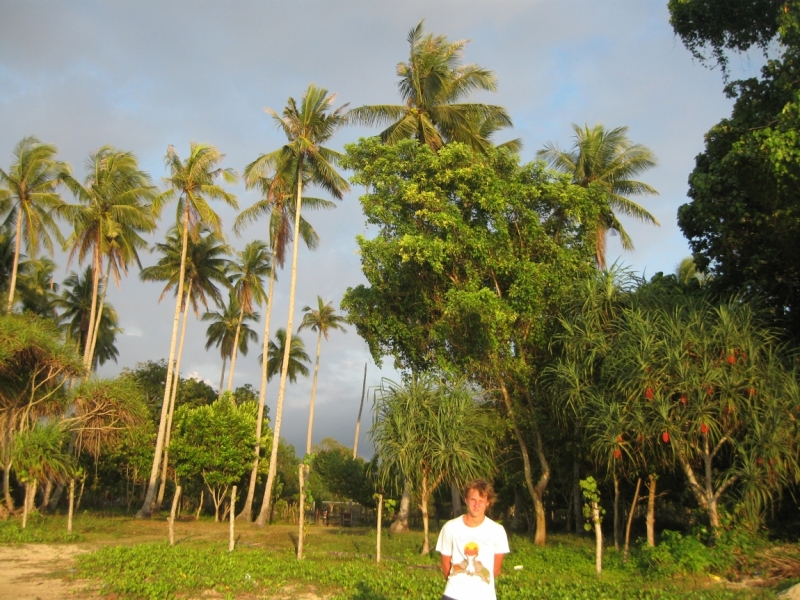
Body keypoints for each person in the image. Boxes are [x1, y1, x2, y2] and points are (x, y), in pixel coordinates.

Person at [435, 479, 510, 600]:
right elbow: (445, 564)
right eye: (473, 500)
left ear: (487, 503)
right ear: (465, 499)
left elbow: (495, 570)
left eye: (481, 501)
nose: (477, 505)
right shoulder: (450, 527)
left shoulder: (497, 530)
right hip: (453, 595)